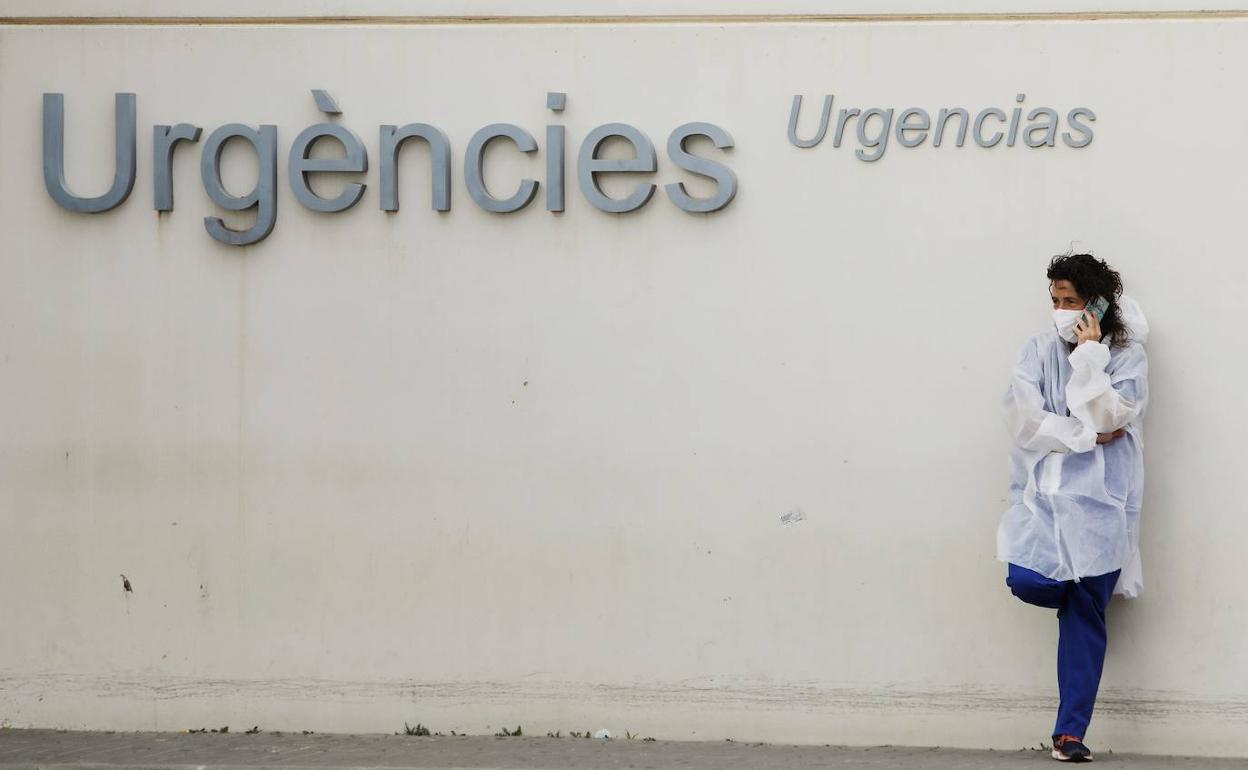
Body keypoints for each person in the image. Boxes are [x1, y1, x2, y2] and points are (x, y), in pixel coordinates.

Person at [997, 251, 1150, 763]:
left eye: (1072, 301)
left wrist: (1089, 360)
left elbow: (1115, 413)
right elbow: (1024, 421)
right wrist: (1086, 435)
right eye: (1055, 300)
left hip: (1101, 508)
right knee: (1029, 579)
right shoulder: (1037, 351)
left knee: (1086, 616)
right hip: (1043, 502)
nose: (1061, 310)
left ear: (1098, 306)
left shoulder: (1127, 359)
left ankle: (1069, 734)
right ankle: (1076, 594)